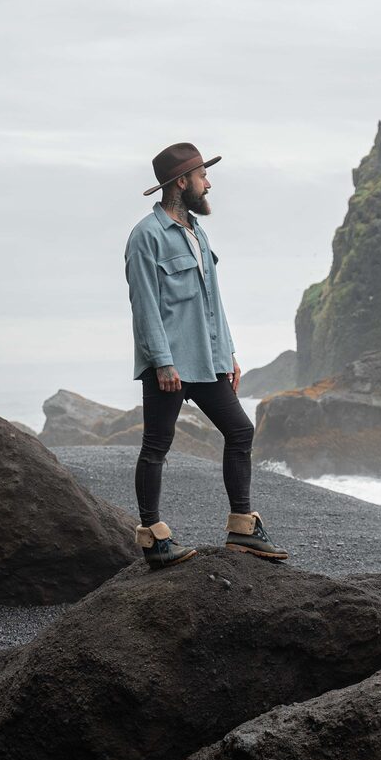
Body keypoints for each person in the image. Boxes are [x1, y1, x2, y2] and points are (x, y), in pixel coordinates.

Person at [123, 142, 289, 569]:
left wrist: (228, 353)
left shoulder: (198, 232)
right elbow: (145, 305)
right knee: (156, 446)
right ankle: (153, 537)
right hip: (171, 366)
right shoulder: (146, 237)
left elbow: (212, 300)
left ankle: (242, 528)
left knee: (240, 431)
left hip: (207, 360)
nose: (208, 183)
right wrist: (162, 361)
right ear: (182, 182)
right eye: (202, 176)